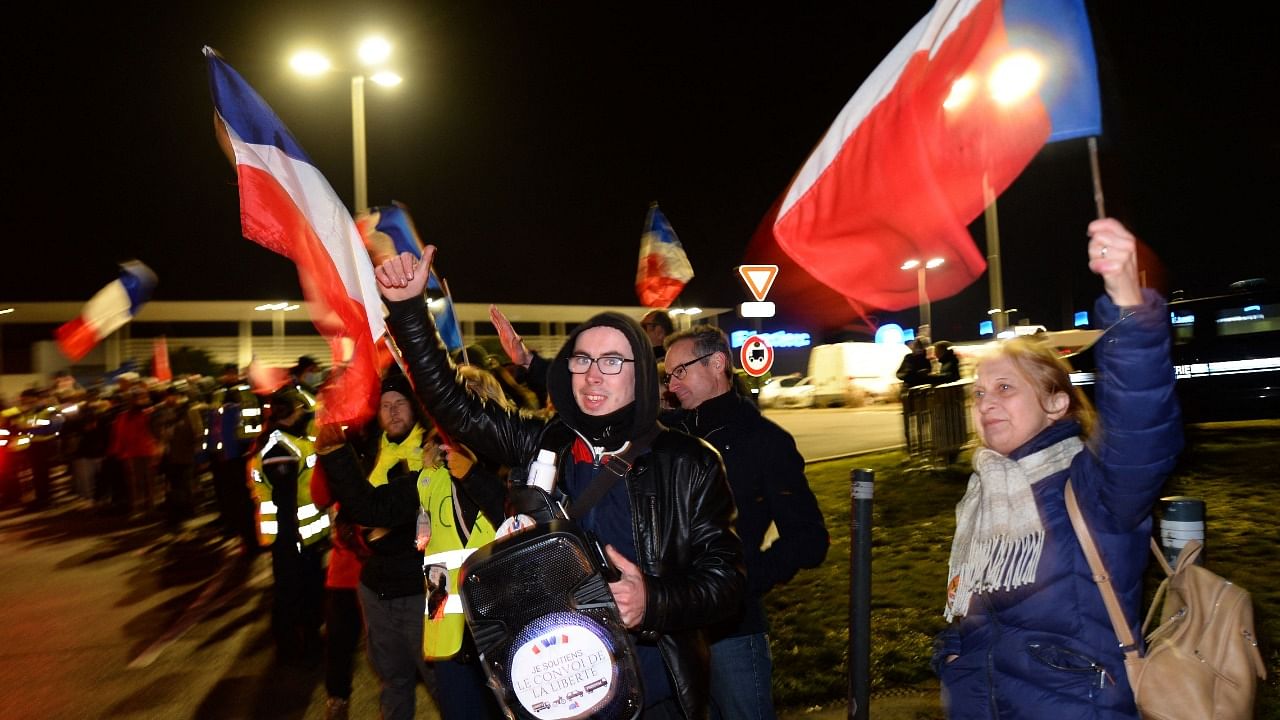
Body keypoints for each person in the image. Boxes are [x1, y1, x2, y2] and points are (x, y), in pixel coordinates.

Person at [364, 246, 745, 719]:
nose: (591, 374)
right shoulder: (544, 443)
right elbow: (454, 405)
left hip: (652, 692)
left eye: (611, 361)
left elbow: (727, 580)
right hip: (554, 690)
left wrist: (654, 600)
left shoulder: (688, 463)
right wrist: (408, 311)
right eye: (582, 360)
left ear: (641, 375)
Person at [932, 218, 1183, 719]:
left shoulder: (1091, 484)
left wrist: (1131, 309)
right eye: (979, 393)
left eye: (1006, 388)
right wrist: (952, 654)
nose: (986, 404)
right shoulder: (986, 490)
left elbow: (1140, 424)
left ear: (1055, 404)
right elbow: (973, 606)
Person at [662, 325, 829, 720]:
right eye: (667, 376)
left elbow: (809, 539)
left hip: (731, 633)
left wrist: (742, 580)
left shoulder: (765, 441)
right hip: (669, 629)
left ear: (717, 363)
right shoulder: (670, 435)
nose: (671, 385)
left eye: (679, 372)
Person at [315, 372, 439, 720]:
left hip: (422, 591)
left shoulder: (432, 453)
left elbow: (377, 508)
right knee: (393, 680)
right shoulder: (369, 450)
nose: (394, 412)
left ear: (415, 409)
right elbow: (345, 504)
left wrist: (337, 458)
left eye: (400, 403)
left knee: (442, 683)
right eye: (386, 406)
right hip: (376, 588)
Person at [249, 386, 329, 666]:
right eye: (302, 411)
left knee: (305, 592)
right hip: (291, 540)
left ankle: (304, 641)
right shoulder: (280, 448)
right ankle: (292, 649)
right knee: (291, 595)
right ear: (292, 412)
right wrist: (294, 541)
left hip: (302, 538)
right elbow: (285, 502)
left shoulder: (291, 441)